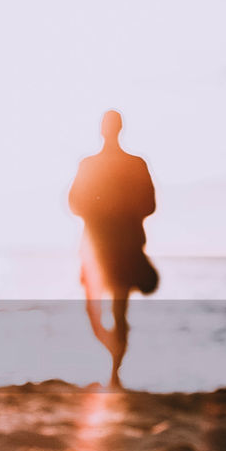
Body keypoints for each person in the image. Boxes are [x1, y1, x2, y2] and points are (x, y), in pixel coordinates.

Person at [68, 110, 158, 389]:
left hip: (119, 247)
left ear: (107, 130)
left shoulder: (133, 164)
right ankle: (114, 357)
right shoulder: (91, 164)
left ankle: (115, 372)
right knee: (100, 311)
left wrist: (112, 211)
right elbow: (74, 203)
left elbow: (149, 205)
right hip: (98, 247)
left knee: (116, 312)